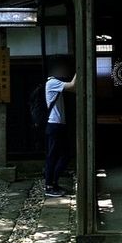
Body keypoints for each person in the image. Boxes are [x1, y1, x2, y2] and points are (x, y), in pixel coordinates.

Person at [43, 57, 76, 197]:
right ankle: (49, 186)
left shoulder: (57, 83)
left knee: (65, 155)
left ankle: (54, 183)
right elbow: (73, 86)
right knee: (53, 156)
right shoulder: (52, 82)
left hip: (58, 125)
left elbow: (74, 89)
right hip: (54, 125)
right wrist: (80, 68)